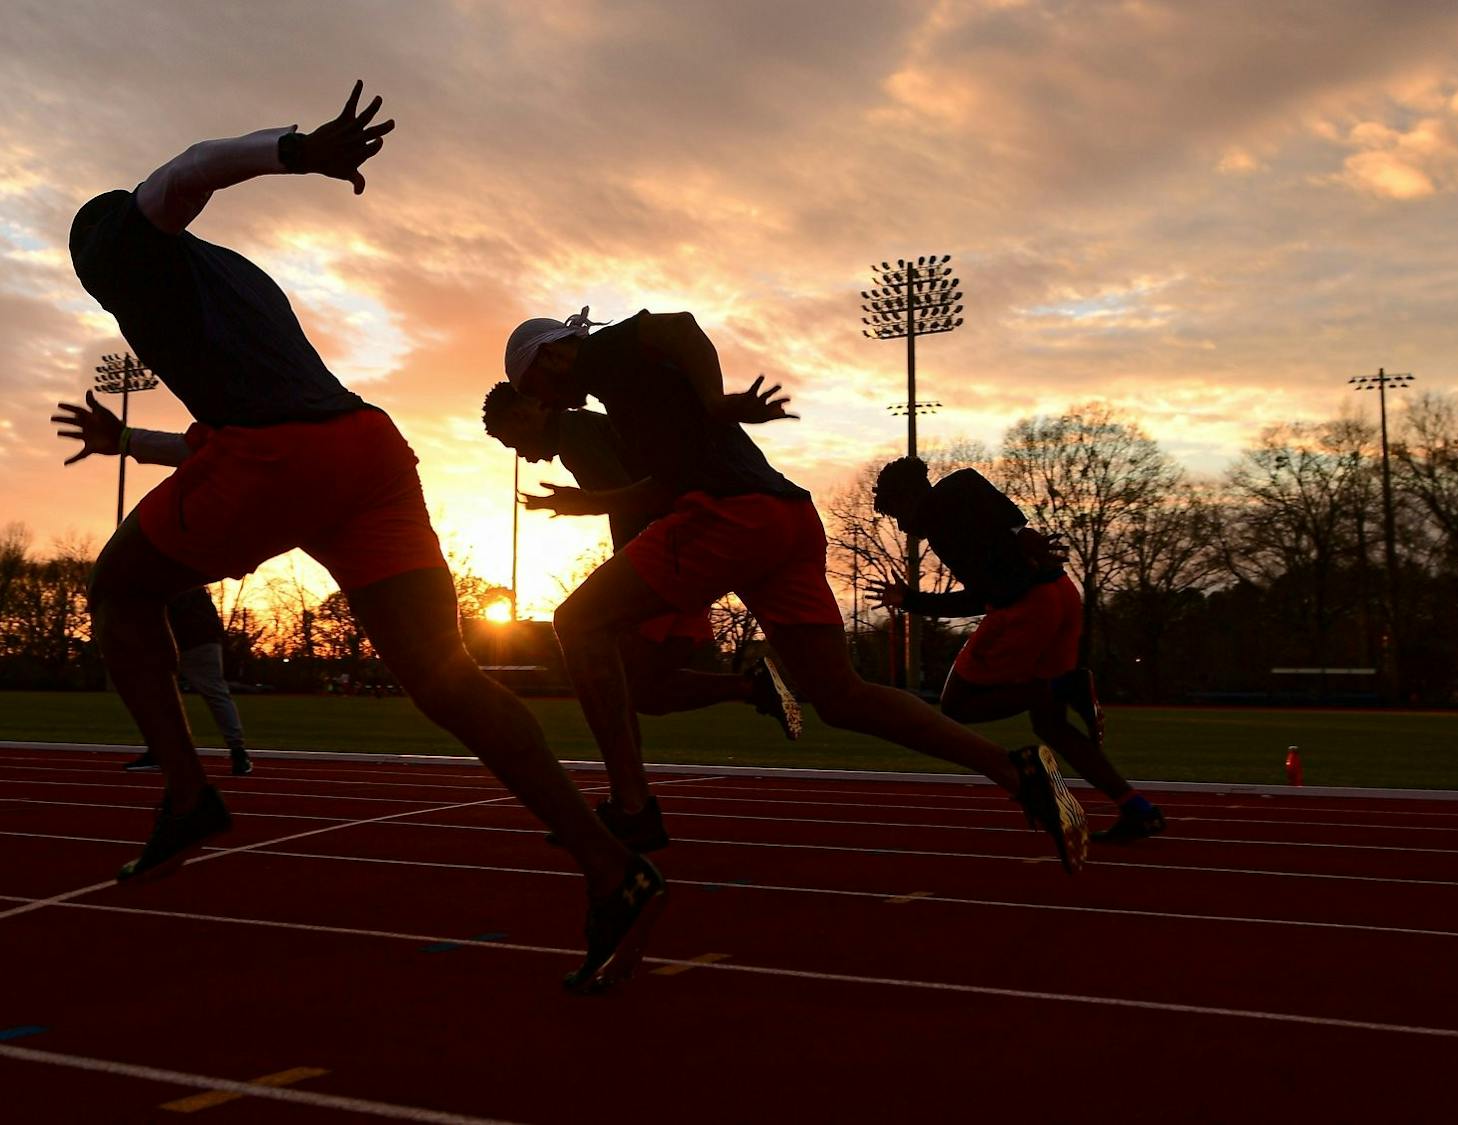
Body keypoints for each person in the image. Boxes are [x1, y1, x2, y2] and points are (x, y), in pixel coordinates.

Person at [57, 82, 661, 992]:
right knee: (446, 678)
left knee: (119, 588)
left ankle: (187, 793)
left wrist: (299, 150)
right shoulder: (235, 288)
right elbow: (220, 440)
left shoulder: (130, 246)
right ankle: (609, 865)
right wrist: (128, 442)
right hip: (366, 452)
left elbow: (191, 168)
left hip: (281, 462)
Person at [505, 307, 1089, 872]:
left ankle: (634, 808)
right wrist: (590, 503)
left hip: (729, 519)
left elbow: (679, 326)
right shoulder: (629, 401)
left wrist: (715, 401)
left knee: (578, 623)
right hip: (786, 518)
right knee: (839, 696)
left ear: (553, 355)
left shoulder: (604, 355)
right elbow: (663, 485)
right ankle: (1016, 772)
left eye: (531, 385)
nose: (540, 401)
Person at [482, 382, 800, 847]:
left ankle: (632, 805)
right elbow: (634, 491)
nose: (524, 456)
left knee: (594, 649)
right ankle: (752, 689)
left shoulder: (572, 434)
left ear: (529, 411)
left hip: (674, 549)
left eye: (514, 441)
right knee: (641, 690)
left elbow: (639, 501)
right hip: (686, 544)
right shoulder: (582, 431)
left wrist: (622, 573)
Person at [870, 457, 1165, 843]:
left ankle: (1065, 687)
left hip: (1027, 608)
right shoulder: (963, 485)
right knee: (1050, 724)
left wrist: (913, 601)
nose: (901, 525)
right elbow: (1013, 526)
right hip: (1060, 592)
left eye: (895, 512)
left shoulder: (939, 520)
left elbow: (984, 596)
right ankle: (1137, 808)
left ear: (908, 498)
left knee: (959, 703)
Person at [123, 585, 254, 776]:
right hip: (203, 640)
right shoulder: (196, 582)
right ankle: (238, 753)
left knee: (157, 696)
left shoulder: (162, 580)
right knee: (217, 696)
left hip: (180, 641)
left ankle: (159, 751)